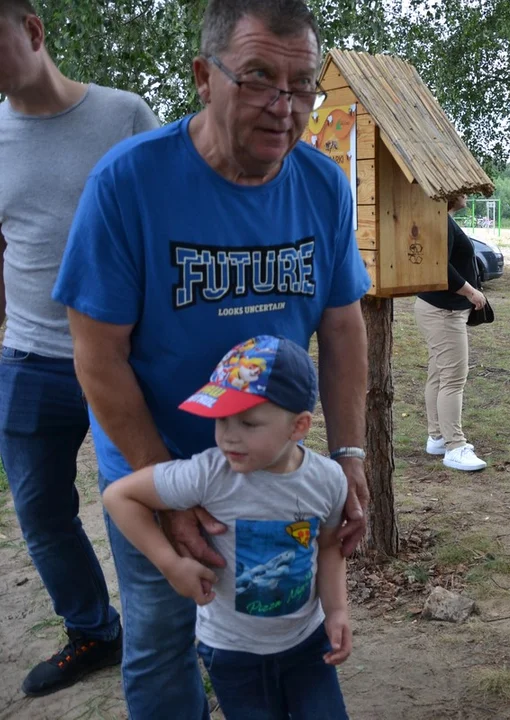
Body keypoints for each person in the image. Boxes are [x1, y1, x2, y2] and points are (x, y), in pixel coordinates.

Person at [50, 1, 372, 717]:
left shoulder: (322, 186)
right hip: (161, 466)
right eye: (258, 77)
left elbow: (343, 327)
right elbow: (97, 355)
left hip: (272, 468)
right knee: (166, 635)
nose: (284, 106)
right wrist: (166, 491)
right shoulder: (129, 183)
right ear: (203, 75)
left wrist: (349, 453)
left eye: (301, 83)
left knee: (281, 627)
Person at [0, 0, 160, 697]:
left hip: (126, 362)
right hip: (30, 360)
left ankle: (172, 640)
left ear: (32, 31)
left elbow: (168, 229)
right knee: (39, 511)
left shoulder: (124, 116)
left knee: (142, 506)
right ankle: (94, 632)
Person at [102, 336, 351, 718]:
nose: (229, 436)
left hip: (307, 646)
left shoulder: (328, 480)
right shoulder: (208, 473)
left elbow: (330, 546)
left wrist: (336, 611)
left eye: (249, 423)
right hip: (232, 653)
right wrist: (170, 564)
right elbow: (119, 497)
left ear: (298, 426)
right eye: (221, 419)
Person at [416, 195, 488, 472]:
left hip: (437, 309)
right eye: (463, 190)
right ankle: (454, 447)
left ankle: (437, 436)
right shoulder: (439, 220)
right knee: (453, 379)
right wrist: (471, 292)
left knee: (439, 374)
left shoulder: (440, 219)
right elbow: (437, 265)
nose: (468, 194)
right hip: (443, 312)